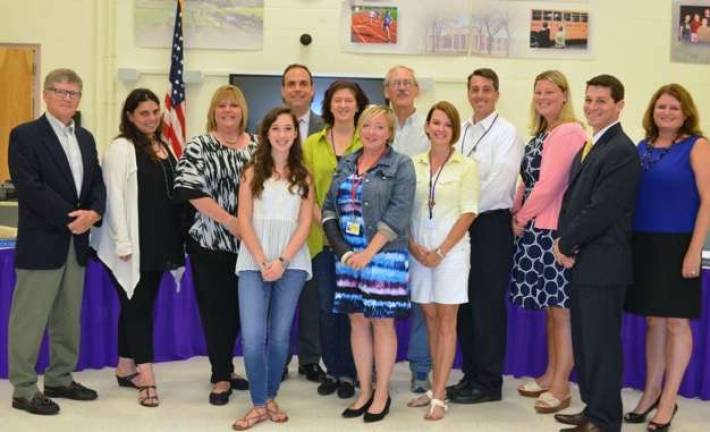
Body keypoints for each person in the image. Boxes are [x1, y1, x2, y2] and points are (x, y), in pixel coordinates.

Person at [7, 68, 105, 415]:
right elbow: (30, 187)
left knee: (68, 317)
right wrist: (73, 219)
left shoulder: (87, 138)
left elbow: (96, 183)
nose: (68, 98)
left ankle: (60, 377)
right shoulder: (25, 135)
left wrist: (93, 212)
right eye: (61, 91)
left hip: (76, 243)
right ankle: (23, 388)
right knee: (30, 319)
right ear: (46, 95)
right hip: (44, 240)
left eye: (74, 93)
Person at [553, 75, 641, 432]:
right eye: (588, 100)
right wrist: (568, 242)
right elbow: (575, 201)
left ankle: (605, 420)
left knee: (601, 345)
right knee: (587, 343)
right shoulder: (594, 145)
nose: (592, 107)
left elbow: (601, 210)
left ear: (619, 105)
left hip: (603, 264)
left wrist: (566, 243)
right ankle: (593, 408)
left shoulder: (621, 151)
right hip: (585, 262)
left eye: (601, 101)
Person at [90, 88, 185, 407]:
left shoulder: (164, 145)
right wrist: (123, 242)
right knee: (138, 307)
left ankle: (125, 366)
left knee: (138, 304)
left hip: (158, 243)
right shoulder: (121, 148)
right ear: (129, 116)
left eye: (155, 112)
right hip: (130, 244)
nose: (151, 118)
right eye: (143, 113)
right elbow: (114, 196)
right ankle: (147, 378)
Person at [623, 84, 710, 432]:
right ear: (652, 111)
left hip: (678, 246)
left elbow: (708, 201)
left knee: (676, 323)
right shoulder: (642, 147)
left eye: (674, 108)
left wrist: (694, 250)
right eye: (661, 107)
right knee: (653, 322)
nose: (667, 113)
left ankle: (669, 401)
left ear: (686, 112)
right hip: (643, 245)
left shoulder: (698, 146)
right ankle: (650, 393)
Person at [322, 105, 415, 423]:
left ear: (389, 132)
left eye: (379, 127)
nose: (372, 132)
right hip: (348, 256)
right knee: (357, 321)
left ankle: (382, 393)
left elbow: (398, 214)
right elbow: (329, 209)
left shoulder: (401, 165)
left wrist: (368, 253)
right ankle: (364, 390)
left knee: (382, 322)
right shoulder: (346, 162)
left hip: (384, 256)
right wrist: (344, 251)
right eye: (367, 125)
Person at [232, 106, 314, 431]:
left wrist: (282, 261)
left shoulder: (303, 176)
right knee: (253, 338)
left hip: (292, 263)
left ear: (296, 134)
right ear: (266, 133)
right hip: (253, 260)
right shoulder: (251, 172)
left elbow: (305, 223)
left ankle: (268, 398)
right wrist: (263, 259)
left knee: (279, 337)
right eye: (276, 129)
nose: (282, 135)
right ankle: (257, 404)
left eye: (288, 129)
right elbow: (243, 220)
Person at [174, 85, 256, 405]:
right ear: (213, 110)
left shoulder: (259, 146)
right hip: (210, 241)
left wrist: (248, 228)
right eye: (221, 105)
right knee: (215, 311)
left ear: (242, 111)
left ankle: (226, 364)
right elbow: (189, 190)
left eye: (233, 106)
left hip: (249, 245)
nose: (227, 111)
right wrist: (230, 221)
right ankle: (220, 375)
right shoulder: (199, 145)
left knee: (240, 311)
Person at [510, 71, 586, 414]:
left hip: (553, 231)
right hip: (536, 229)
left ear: (565, 95)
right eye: (538, 91)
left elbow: (550, 185)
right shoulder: (543, 132)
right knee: (551, 311)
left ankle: (561, 385)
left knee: (562, 311)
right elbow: (527, 180)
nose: (543, 97)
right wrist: (517, 210)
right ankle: (550, 373)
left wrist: (522, 217)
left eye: (550, 92)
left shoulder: (569, 132)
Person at [448, 68, 523, 405]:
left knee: (487, 306)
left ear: (497, 94)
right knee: (464, 304)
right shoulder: (460, 131)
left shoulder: (507, 133)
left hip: (489, 224)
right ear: (468, 93)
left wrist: (467, 211)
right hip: (461, 224)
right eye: (474, 89)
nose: (480, 95)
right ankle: (471, 375)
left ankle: (490, 382)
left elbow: (501, 181)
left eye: (486, 89)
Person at [406, 101, 478, 420]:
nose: (440, 129)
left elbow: (468, 212)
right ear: (427, 126)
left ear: (454, 130)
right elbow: (403, 211)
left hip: (451, 254)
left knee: (447, 322)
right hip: (419, 252)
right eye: (435, 122)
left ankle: (439, 395)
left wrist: (441, 251)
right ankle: (436, 385)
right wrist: (415, 247)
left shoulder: (466, 166)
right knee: (430, 320)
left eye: (447, 124)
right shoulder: (413, 164)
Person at [302, 80, 369, 399]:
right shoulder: (312, 143)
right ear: (328, 106)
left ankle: (355, 373)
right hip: (322, 239)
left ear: (358, 106)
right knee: (327, 309)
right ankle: (335, 370)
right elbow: (307, 189)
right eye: (337, 100)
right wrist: (327, 225)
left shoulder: (368, 138)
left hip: (360, 244)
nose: (343, 105)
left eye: (349, 100)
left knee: (354, 309)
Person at [383, 64, 432, 393]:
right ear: (386, 91)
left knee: (421, 299)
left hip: (418, 222)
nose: (401, 88)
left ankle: (420, 368)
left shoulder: (430, 127)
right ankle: (376, 368)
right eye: (395, 84)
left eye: (407, 83)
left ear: (417, 89)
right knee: (379, 299)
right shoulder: (374, 124)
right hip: (381, 226)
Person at [280, 63, 325, 382]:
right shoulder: (268, 125)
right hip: (279, 229)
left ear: (312, 90)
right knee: (278, 300)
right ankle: (278, 360)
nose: (297, 88)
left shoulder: (328, 126)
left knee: (313, 301)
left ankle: (310, 360)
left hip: (317, 230)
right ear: (283, 90)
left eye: (303, 83)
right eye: (291, 83)